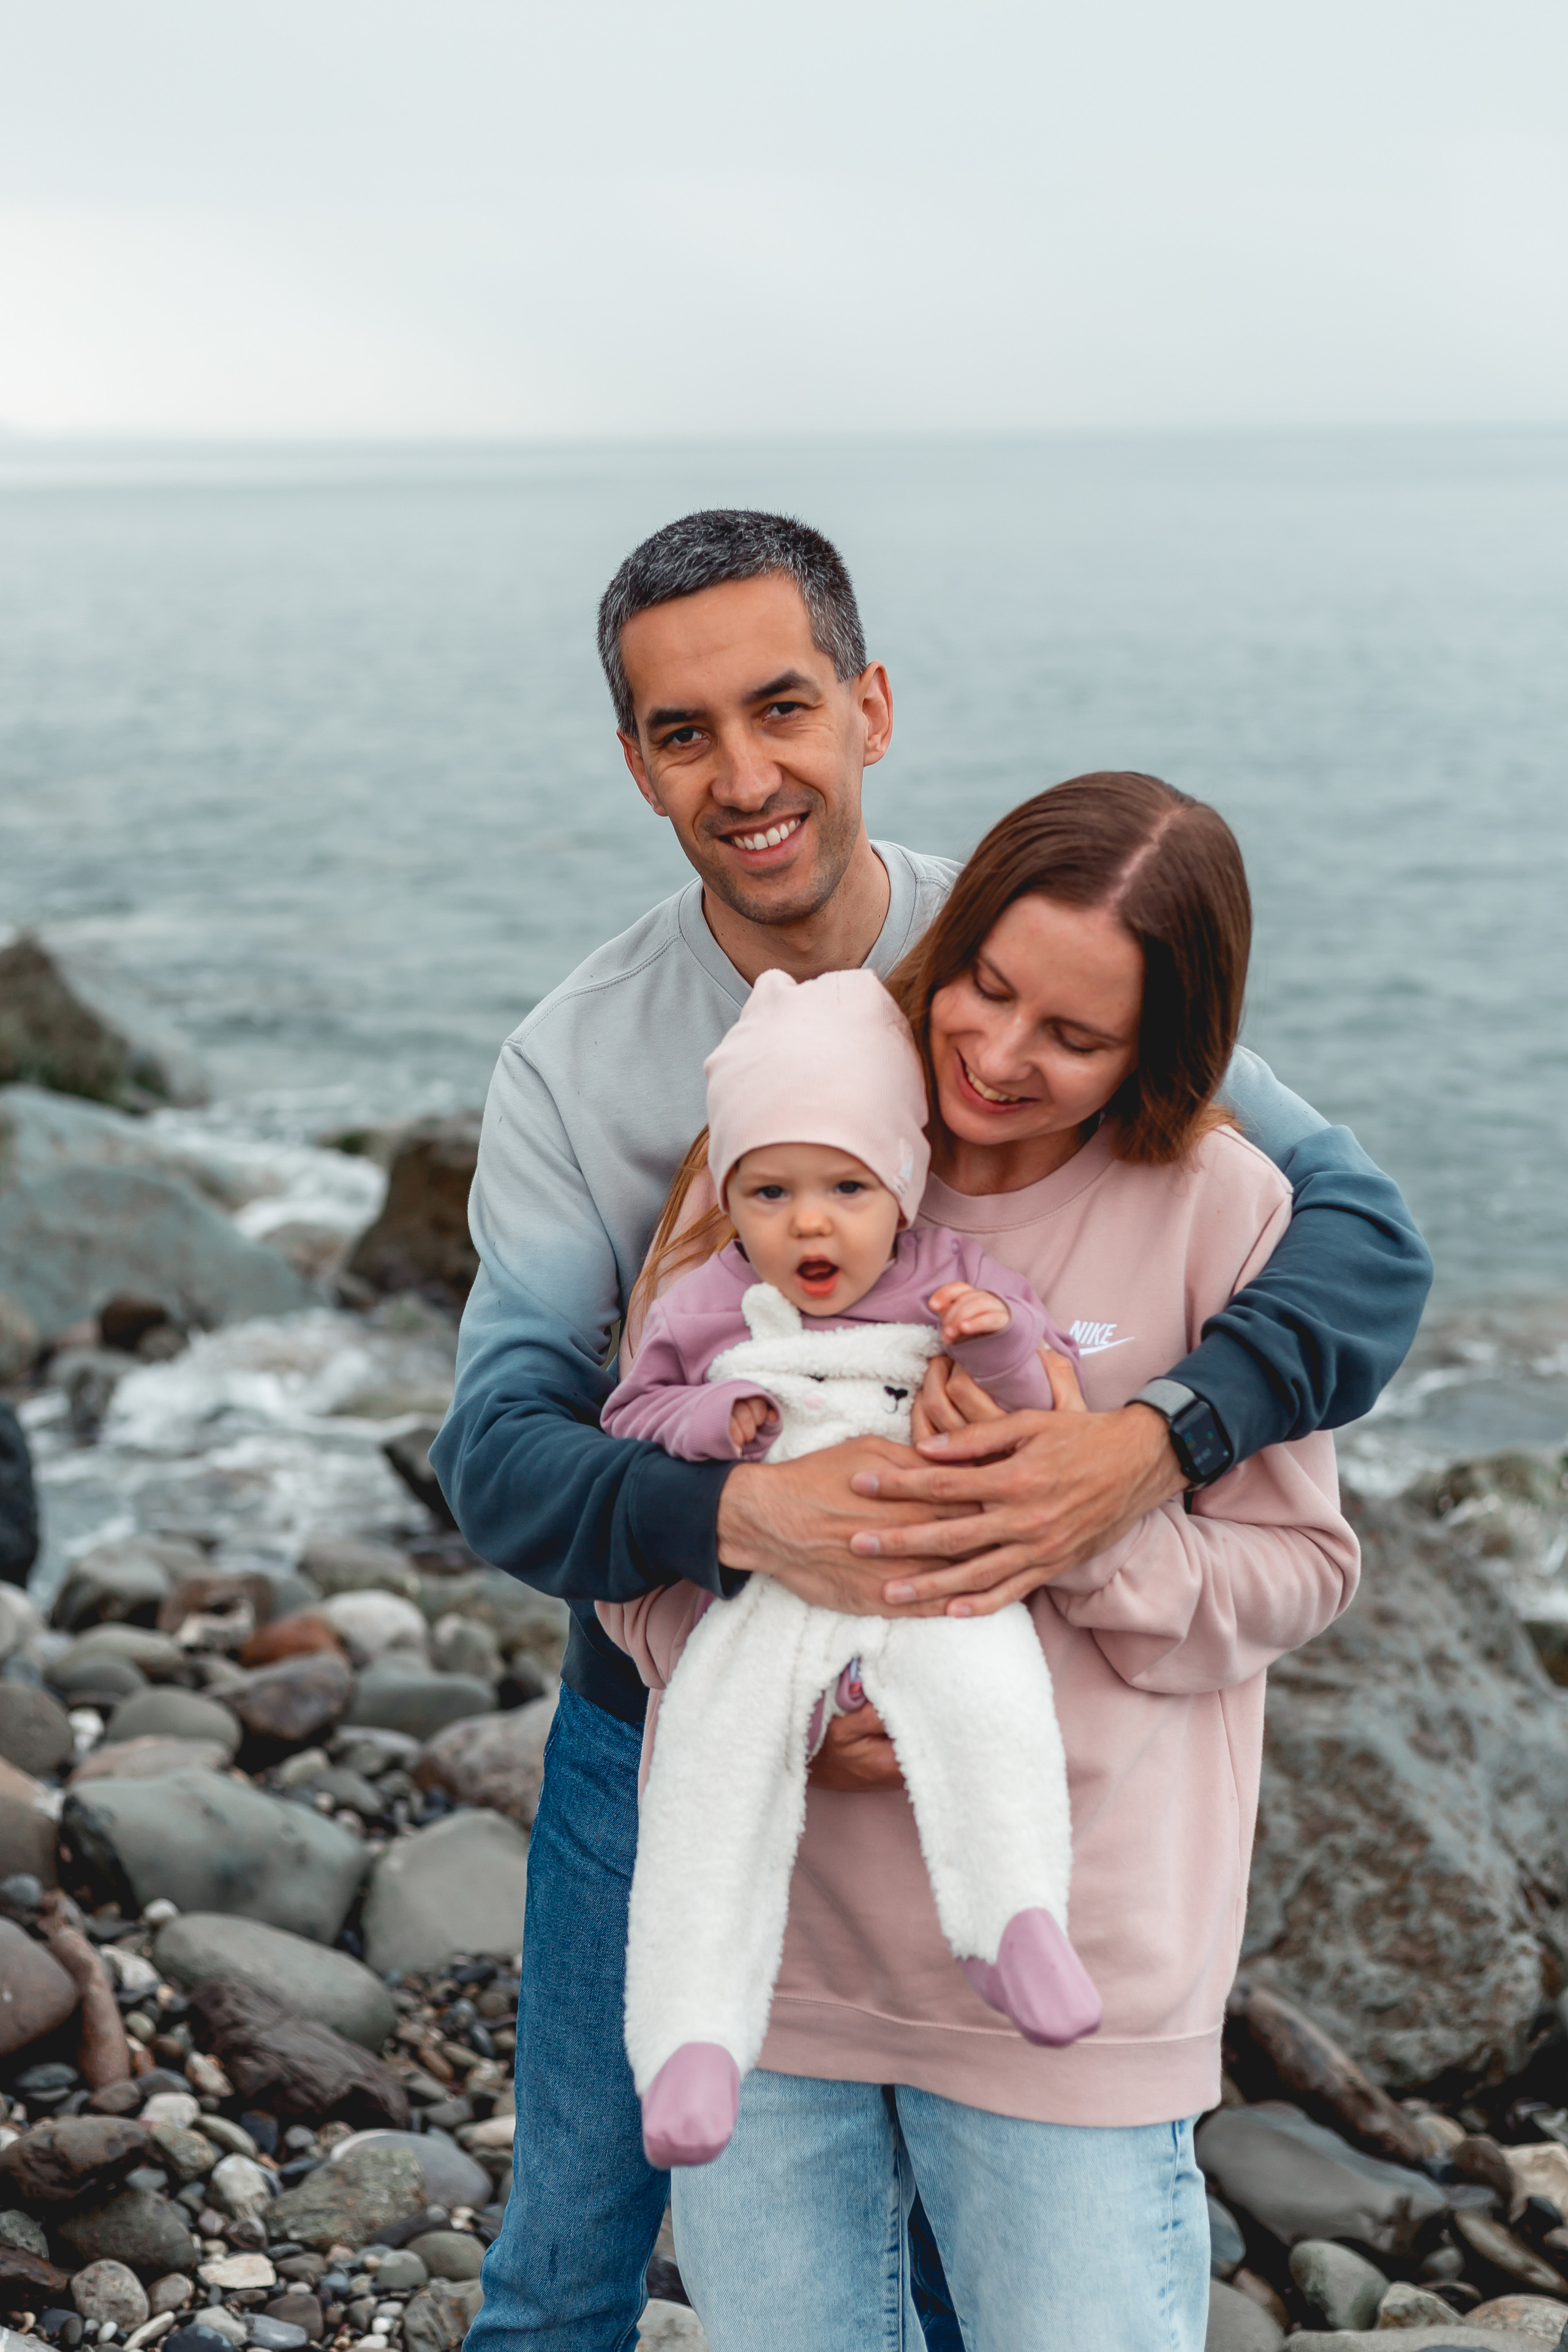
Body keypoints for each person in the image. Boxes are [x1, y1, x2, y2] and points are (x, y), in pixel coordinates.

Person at [431, 509, 1432, 2352]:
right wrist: (751, 1521)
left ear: (871, 706)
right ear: (635, 757)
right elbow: (501, 1457)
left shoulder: (1022, 959)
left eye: (785, 706)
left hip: (1003, 1778)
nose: (748, 776)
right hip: (662, 1713)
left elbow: (1362, 1248)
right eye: (683, 731)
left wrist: (1149, 1450)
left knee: (990, 2262)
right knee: (570, 2247)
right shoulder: (585, 1063)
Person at [628, 772, 1359, 2350]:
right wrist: (782, 1701)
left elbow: (1300, 1567)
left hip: (1076, 1985)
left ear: (1162, 1051)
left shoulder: (1220, 1206)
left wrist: (1087, 1526)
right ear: (944, 943)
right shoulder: (788, 1145)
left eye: (1076, 1038)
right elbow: (636, 1532)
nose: (1000, 1057)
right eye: (987, 987)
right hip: (781, 1977)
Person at [601, 968, 1100, 2174]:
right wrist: (714, 1430)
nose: (807, 1226)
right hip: (778, 1584)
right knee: (711, 1770)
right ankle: (689, 2041)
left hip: (930, 1571)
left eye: (843, 1189)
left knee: (994, 1701)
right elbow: (632, 1413)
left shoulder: (955, 1279)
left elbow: (1039, 1420)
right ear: (731, 1201)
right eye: (767, 1192)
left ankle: (1012, 1918)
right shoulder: (710, 1298)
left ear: (901, 1183)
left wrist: (1002, 1350)